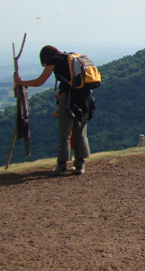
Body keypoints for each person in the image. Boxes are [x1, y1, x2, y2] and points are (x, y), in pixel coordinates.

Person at [14, 45, 93, 176]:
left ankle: (61, 165)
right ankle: (79, 165)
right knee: (80, 132)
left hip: (69, 98)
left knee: (64, 133)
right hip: (87, 98)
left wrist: (21, 83)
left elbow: (40, 81)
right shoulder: (71, 57)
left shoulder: (54, 60)